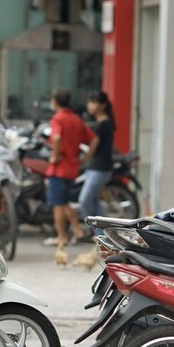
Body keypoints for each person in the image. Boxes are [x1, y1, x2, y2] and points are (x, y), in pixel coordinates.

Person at [42, 89, 98, 250]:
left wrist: (54, 155)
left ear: (55, 102)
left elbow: (57, 137)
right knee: (64, 201)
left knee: (57, 204)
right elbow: (93, 139)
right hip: (72, 168)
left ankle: (62, 237)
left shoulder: (57, 119)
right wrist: (85, 158)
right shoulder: (76, 119)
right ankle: (77, 230)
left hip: (59, 168)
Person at [77, 91, 115, 236]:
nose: (90, 105)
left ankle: (95, 230)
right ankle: (102, 234)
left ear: (103, 105)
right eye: (90, 102)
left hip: (100, 168)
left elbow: (93, 146)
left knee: (84, 199)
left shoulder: (103, 125)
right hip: (96, 168)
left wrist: (84, 159)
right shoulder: (103, 123)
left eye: (94, 102)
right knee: (95, 202)